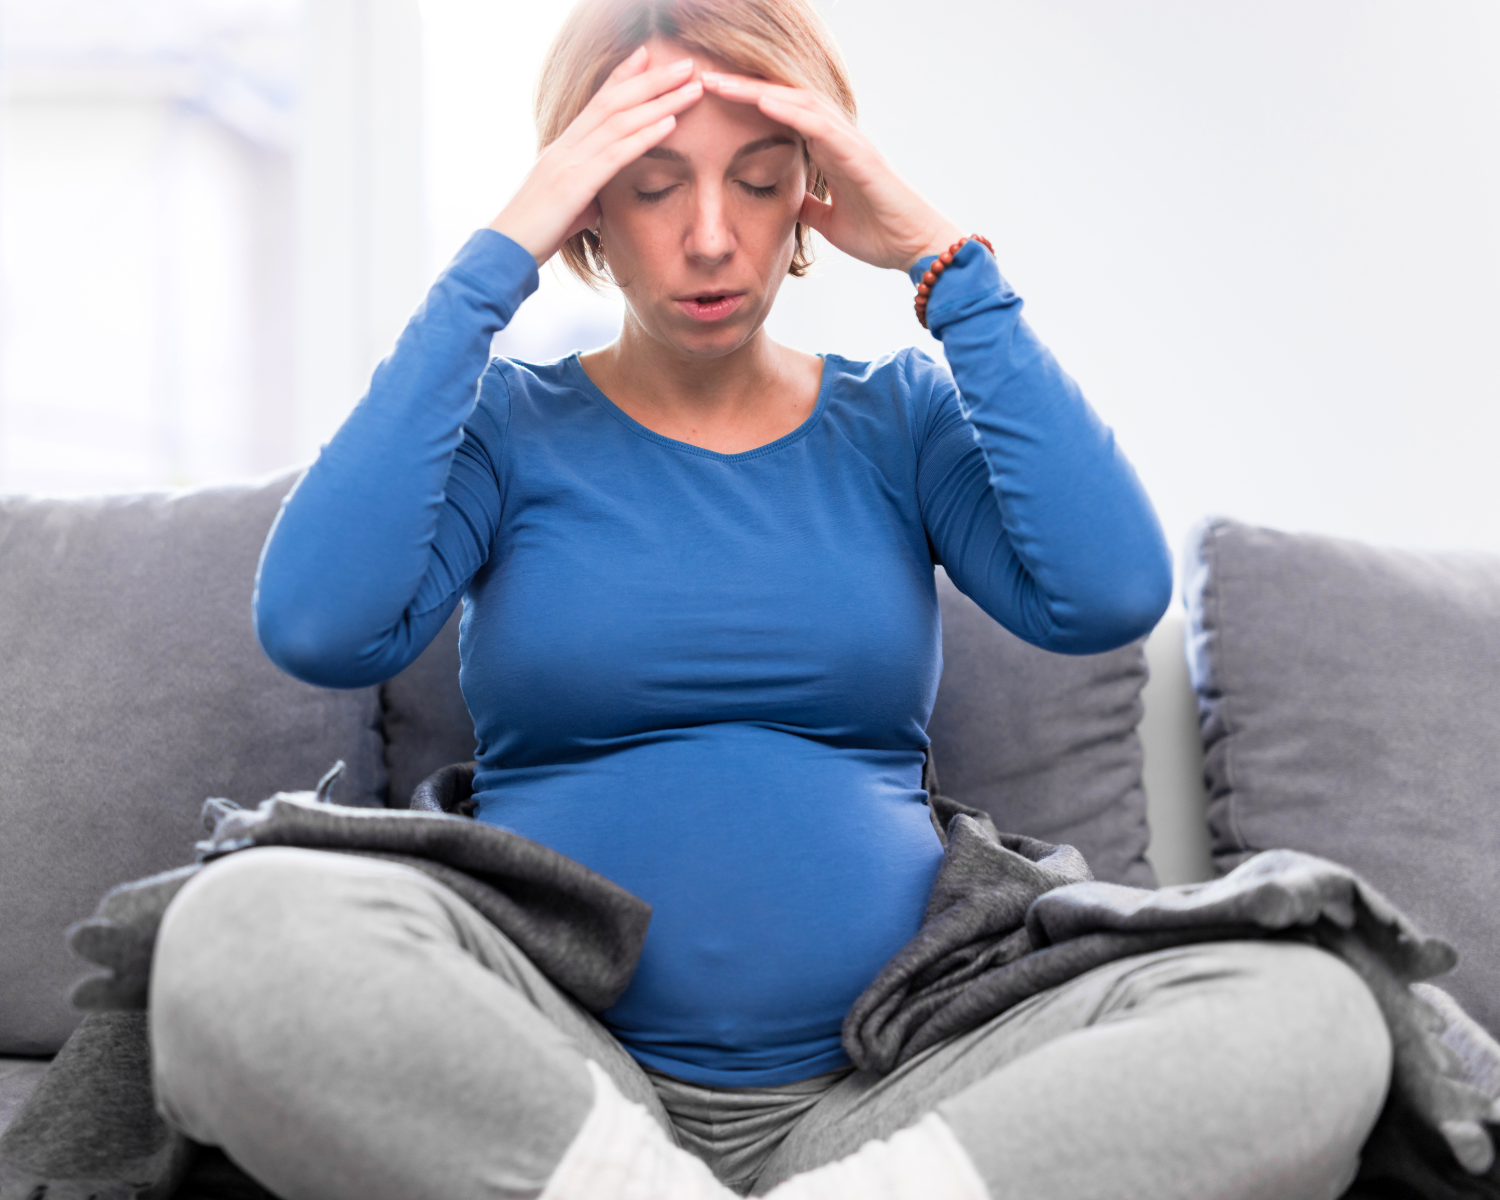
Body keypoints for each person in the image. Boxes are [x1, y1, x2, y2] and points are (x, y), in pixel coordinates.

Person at [147, 1, 1393, 1197]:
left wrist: (946, 266)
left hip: (897, 1082)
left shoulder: (898, 420)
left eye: (757, 178)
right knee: (236, 934)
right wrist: (496, 260)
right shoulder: (507, 432)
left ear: (815, 186)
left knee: (1315, 1011)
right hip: (560, 1067)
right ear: (585, 204)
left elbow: (1109, 592)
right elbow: (317, 624)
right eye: (649, 183)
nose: (708, 236)